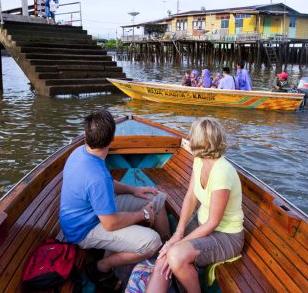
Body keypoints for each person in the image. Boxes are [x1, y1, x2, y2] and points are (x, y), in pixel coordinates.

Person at [59, 109, 170, 291]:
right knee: (152, 242)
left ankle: (168, 246)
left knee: (156, 198)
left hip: (94, 211)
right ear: (112, 139)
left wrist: (134, 189)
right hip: (84, 229)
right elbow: (110, 224)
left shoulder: (81, 152)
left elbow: (108, 184)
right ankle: (102, 266)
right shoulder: (97, 177)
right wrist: (142, 214)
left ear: (87, 135)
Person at [144, 118, 244, 293]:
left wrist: (178, 243)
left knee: (175, 254)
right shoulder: (199, 161)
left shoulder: (222, 172)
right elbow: (190, 197)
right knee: (165, 255)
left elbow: (213, 223)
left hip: (226, 236)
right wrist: (178, 233)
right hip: (202, 223)